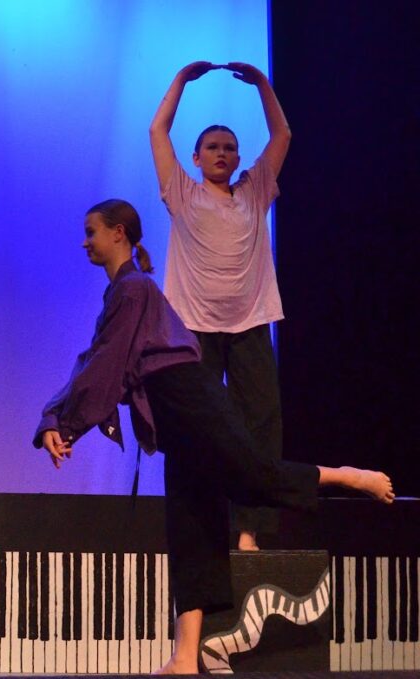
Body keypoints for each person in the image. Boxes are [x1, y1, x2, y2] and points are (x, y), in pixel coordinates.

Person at [33, 199, 393, 675]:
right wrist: (54, 418)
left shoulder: (136, 288)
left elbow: (104, 363)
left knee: (253, 478)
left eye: (91, 232)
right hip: (169, 406)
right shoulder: (123, 292)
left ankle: (346, 476)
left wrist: (64, 420)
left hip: (187, 393)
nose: (85, 241)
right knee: (190, 522)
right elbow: (97, 357)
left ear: (118, 233)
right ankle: (185, 657)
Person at [149, 62, 292, 551]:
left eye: (230, 147)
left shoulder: (255, 190)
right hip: (193, 328)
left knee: (260, 422)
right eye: (212, 147)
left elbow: (282, 133)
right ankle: (202, 525)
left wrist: (262, 85)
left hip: (250, 323)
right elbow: (157, 130)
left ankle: (249, 530)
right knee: (198, 427)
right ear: (196, 157)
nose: (223, 153)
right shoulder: (182, 193)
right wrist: (182, 82)